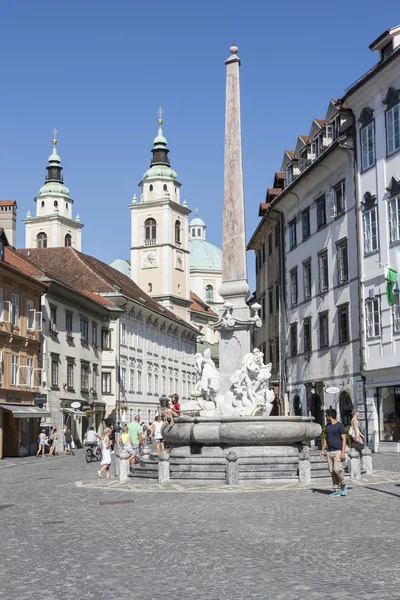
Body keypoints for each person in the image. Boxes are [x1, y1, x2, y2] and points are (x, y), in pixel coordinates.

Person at [320, 408, 348, 497]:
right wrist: (323, 450)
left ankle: (343, 483)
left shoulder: (340, 425)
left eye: (326, 415)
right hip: (329, 451)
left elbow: (344, 439)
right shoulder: (328, 426)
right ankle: (337, 489)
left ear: (330, 415)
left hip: (338, 450)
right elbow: (325, 438)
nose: (326, 417)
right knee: (331, 470)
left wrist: (343, 452)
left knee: (337, 469)